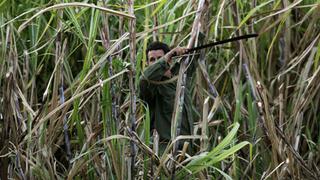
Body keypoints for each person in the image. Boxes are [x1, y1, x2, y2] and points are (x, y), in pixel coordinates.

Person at [139, 42, 197, 153]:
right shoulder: (151, 87)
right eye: (152, 60)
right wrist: (164, 59)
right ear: (147, 64)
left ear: (170, 61)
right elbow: (144, 79)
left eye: (159, 58)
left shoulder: (179, 77)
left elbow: (194, 56)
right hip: (164, 153)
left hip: (185, 151)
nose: (156, 62)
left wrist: (197, 28)